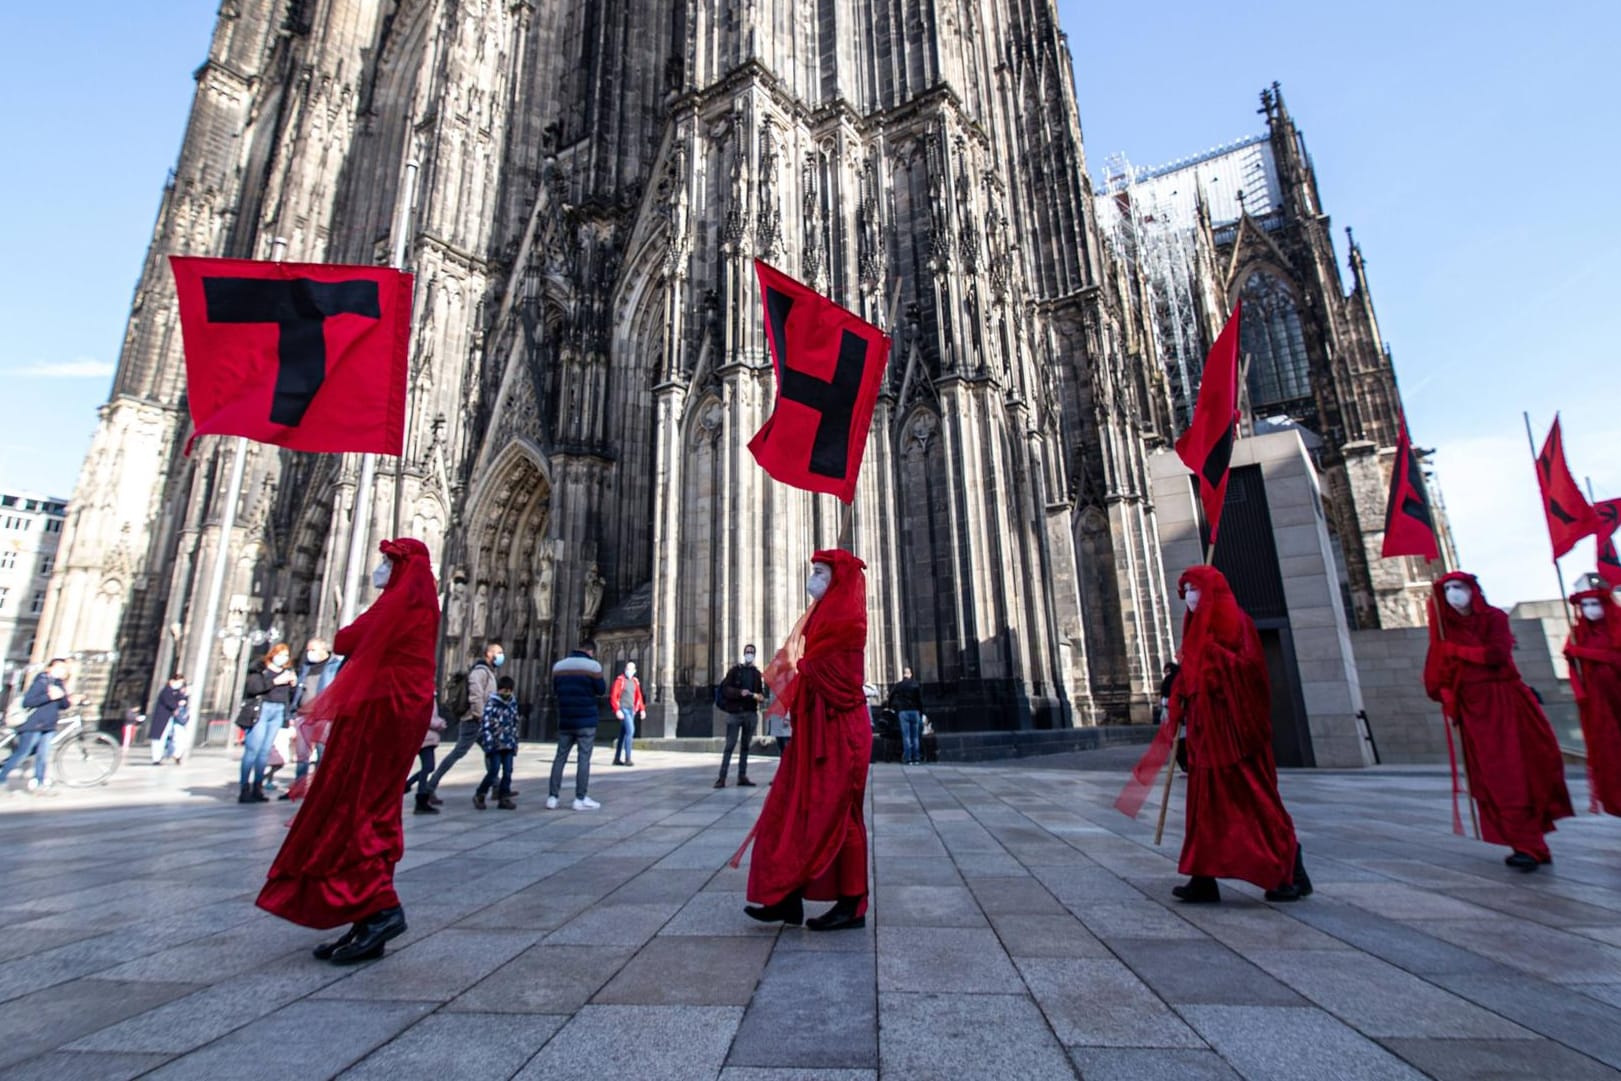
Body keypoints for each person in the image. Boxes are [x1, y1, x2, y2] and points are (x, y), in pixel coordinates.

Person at [257, 538, 440, 964]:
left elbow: (344, 640)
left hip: (381, 713)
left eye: (386, 563)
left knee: (356, 805)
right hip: (395, 709)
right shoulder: (422, 601)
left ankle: (380, 909)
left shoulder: (403, 600)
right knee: (372, 805)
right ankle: (364, 914)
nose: (379, 569)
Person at [1117, 566, 1310, 904]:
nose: (1189, 596)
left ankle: (1288, 868)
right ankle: (1203, 876)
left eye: (1194, 589)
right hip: (1206, 737)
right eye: (1186, 590)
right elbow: (1190, 679)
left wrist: (1212, 658)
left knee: (1256, 803)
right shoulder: (1196, 632)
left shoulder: (1239, 625)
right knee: (1204, 809)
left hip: (1236, 737)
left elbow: (1250, 675)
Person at [736, 551, 872, 932]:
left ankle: (852, 903)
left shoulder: (847, 619)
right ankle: (785, 897)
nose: (812, 577)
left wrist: (802, 666)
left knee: (840, 816)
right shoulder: (823, 614)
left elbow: (839, 681)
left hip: (840, 735)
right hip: (813, 733)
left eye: (820, 572)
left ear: (838, 579)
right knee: (791, 809)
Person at [1425, 571, 1574, 870]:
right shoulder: (1445, 629)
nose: (1454, 593)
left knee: (1516, 771)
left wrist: (1457, 652)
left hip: (1503, 703)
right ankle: (1526, 843)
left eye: (1460, 587)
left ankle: (1531, 843)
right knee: (1491, 777)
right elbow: (1435, 674)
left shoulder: (1493, 618)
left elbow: (1496, 653)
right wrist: (1447, 692)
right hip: (1472, 709)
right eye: (1448, 589)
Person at [419, 640, 502, 812]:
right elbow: (476, 695)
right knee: (458, 753)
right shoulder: (480, 672)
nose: (501, 656)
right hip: (474, 720)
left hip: (479, 719)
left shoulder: (488, 671)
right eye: (498, 652)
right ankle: (429, 787)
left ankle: (496, 787)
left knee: (490, 752)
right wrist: (481, 716)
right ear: (489, 654)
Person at [1567, 575, 1621, 815]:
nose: (1590, 610)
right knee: (1609, 751)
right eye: (1585, 605)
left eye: (1594, 604)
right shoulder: (1579, 633)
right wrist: (1581, 694)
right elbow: (1572, 665)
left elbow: (1615, 658)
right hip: (1598, 703)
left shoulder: (1616, 627)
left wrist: (1582, 652)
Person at [1, 658, 75, 792]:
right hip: (33, 725)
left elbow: (64, 705)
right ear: (50, 668)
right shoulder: (41, 681)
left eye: (64, 669)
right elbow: (28, 702)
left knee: (43, 755)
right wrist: (49, 697)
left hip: (48, 726)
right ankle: (1, 779)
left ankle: (39, 782)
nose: (62, 671)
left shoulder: (58, 684)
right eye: (59, 668)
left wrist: (64, 697)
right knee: (22, 753)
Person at [549, 639, 605, 810]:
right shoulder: (593, 666)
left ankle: (552, 797)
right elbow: (601, 689)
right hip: (586, 719)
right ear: (590, 651)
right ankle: (580, 798)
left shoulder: (558, 667)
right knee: (583, 758)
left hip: (565, 718)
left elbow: (555, 689)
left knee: (560, 757)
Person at [239, 644, 297, 804]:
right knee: (253, 749)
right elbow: (253, 688)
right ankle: (244, 788)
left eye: (286, 655)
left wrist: (293, 685)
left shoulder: (288, 672)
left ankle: (258, 787)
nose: (283, 658)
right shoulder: (260, 669)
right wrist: (276, 681)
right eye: (280, 654)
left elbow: (290, 696)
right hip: (262, 709)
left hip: (278, 710)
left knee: (265, 751)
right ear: (272, 654)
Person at [283, 637, 343, 796]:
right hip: (303, 714)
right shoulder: (306, 667)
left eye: (313, 650)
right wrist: (292, 710)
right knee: (302, 755)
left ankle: (320, 789)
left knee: (323, 752)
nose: (309, 654)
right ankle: (299, 787)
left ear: (324, 650)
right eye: (308, 650)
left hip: (323, 715)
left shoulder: (334, 666)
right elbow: (299, 691)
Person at [715, 644, 764, 788]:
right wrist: (739, 693)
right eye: (747, 652)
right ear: (744, 654)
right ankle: (721, 778)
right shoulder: (735, 671)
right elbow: (725, 689)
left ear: (754, 655)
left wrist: (759, 697)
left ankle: (742, 776)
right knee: (729, 746)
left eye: (752, 652)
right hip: (735, 714)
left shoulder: (756, 673)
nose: (749, 654)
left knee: (745, 746)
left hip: (750, 713)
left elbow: (761, 693)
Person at [475, 676, 520, 810]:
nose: (506, 693)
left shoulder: (512, 704)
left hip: (509, 743)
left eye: (509, 690)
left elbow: (515, 724)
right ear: (499, 690)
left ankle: (504, 797)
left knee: (508, 771)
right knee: (493, 771)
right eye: (503, 690)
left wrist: (515, 743)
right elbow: (486, 725)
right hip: (495, 744)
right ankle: (480, 794)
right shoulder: (491, 704)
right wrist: (488, 744)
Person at [404, 704, 448, 813]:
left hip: (426, 736)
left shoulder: (430, 694)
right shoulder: (425, 694)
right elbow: (424, 716)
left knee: (428, 767)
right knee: (428, 766)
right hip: (425, 737)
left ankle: (408, 786)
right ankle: (421, 800)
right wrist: (439, 724)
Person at [147, 673, 191, 766]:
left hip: (169, 719)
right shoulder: (166, 691)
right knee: (160, 739)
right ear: (172, 681)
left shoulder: (175, 692)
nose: (180, 685)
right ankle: (156, 759)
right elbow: (171, 702)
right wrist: (177, 706)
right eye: (180, 682)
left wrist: (184, 695)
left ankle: (171, 755)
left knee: (175, 737)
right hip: (162, 719)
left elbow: (180, 699)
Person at [610, 660, 645, 766]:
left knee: (623, 734)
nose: (629, 671)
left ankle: (616, 758)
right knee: (631, 731)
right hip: (623, 709)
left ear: (634, 671)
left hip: (632, 710)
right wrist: (617, 710)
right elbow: (613, 696)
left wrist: (642, 709)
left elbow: (638, 696)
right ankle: (628, 758)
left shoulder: (635, 682)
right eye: (627, 669)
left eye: (631, 669)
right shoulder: (620, 681)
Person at [887, 666, 924, 765]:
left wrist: (890, 707)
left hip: (903, 711)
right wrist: (921, 711)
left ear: (903, 674)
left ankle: (908, 759)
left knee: (906, 736)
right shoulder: (915, 684)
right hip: (914, 711)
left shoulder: (899, 685)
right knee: (915, 736)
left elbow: (891, 696)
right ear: (910, 674)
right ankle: (916, 758)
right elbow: (920, 699)